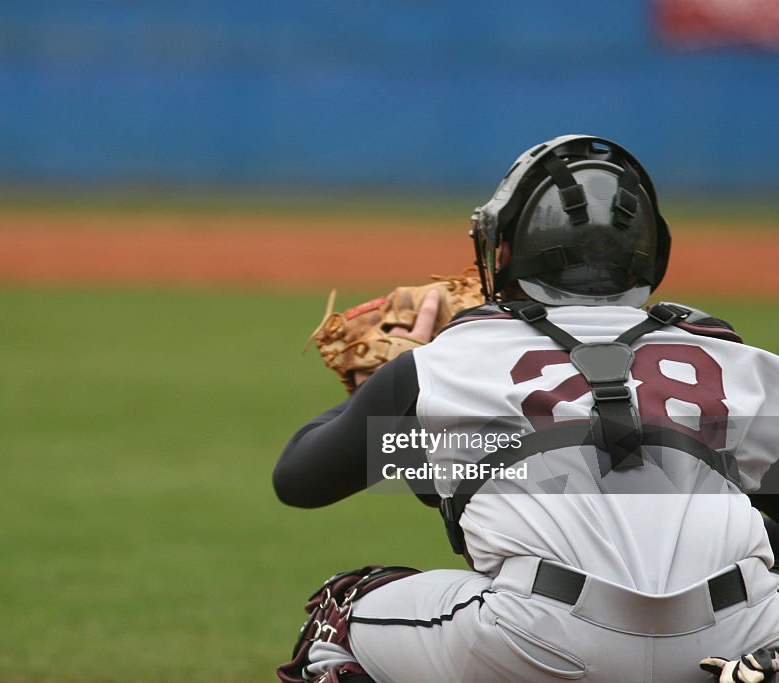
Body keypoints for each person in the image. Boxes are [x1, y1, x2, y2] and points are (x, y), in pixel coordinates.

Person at [273, 135, 779, 683]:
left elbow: (301, 479)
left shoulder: (450, 360)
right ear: (652, 253)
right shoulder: (737, 361)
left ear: (502, 249)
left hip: (539, 638)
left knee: (338, 613)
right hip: (744, 634)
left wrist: (389, 388)